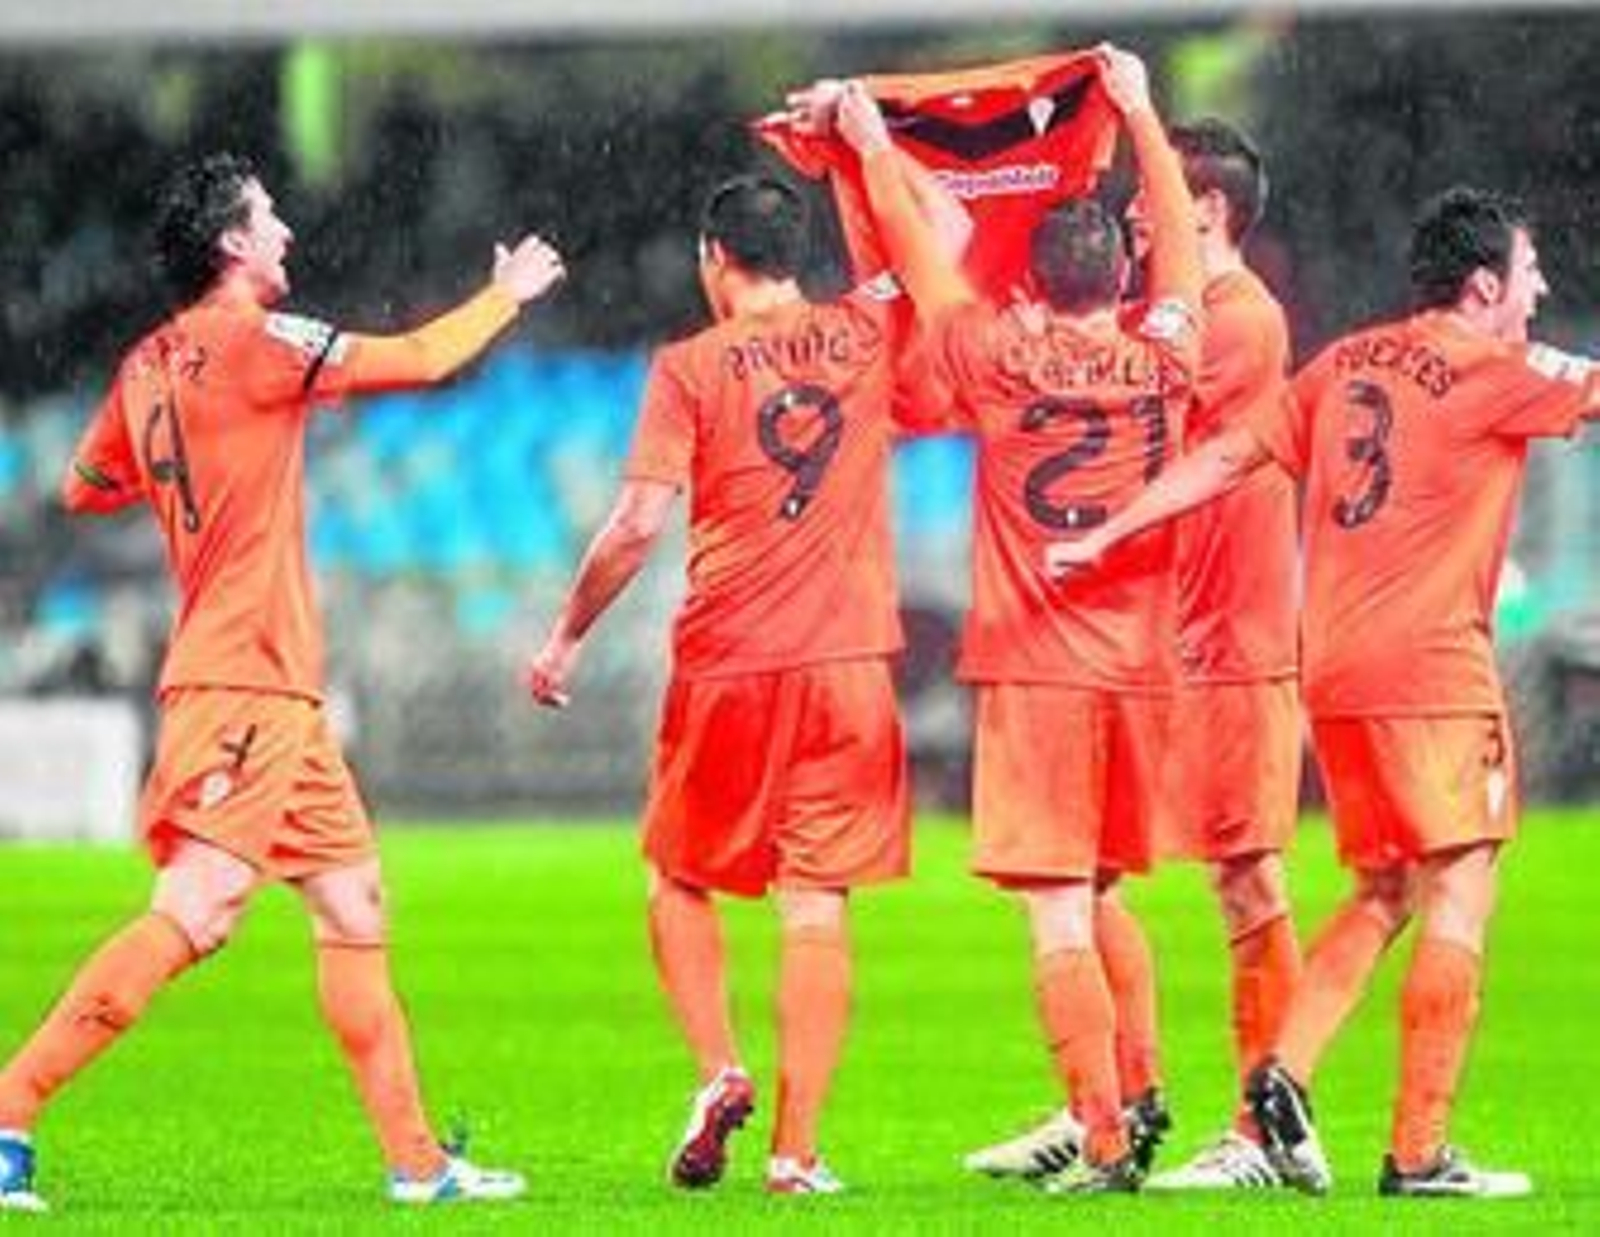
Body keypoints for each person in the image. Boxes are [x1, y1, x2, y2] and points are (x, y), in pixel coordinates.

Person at [0, 153, 565, 1213]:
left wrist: (184, 473)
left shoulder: (146, 363)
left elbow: (83, 486)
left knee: (354, 900)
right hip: (241, 683)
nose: (288, 234)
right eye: (269, 220)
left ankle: (416, 1166)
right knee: (201, 906)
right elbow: (418, 360)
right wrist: (506, 294)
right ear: (230, 245)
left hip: (277, 693)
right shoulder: (259, 341)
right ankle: (8, 1115)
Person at [1047, 186, 1600, 1198]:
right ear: (1484, 285)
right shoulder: (1501, 369)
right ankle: (1419, 1151)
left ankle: (1282, 1074)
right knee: (1464, 883)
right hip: (1435, 669)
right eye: (1528, 273)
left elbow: (1222, 454)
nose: (1541, 290)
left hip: (1334, 671)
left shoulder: (1342, 362)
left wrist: (1104, 531)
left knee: (1385, 885)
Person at [524, 164, 962, 1195]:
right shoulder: (866, 324)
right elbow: (940, 223)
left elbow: (635, 524)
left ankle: (719, 1066)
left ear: (714, 260)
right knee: (816, 907)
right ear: (796, 255)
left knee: (676, 875)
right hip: (849, 663)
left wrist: (565, 636)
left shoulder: (689, 365)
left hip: (729, 659)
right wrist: (856, 142)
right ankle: (796, 1155)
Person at [832, 45, 1201, 1194]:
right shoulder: (1165, 357)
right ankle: (1139, 1094)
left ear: (1033, 286)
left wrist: (871, 143)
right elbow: (1180, 243)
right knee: (1100, 892)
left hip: (1039, 669)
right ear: (1124, 280)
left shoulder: (993, 351)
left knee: (1052, 915)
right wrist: (1141, 114)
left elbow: (921, 258)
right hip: (1142, 671)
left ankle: (1100, 1138)